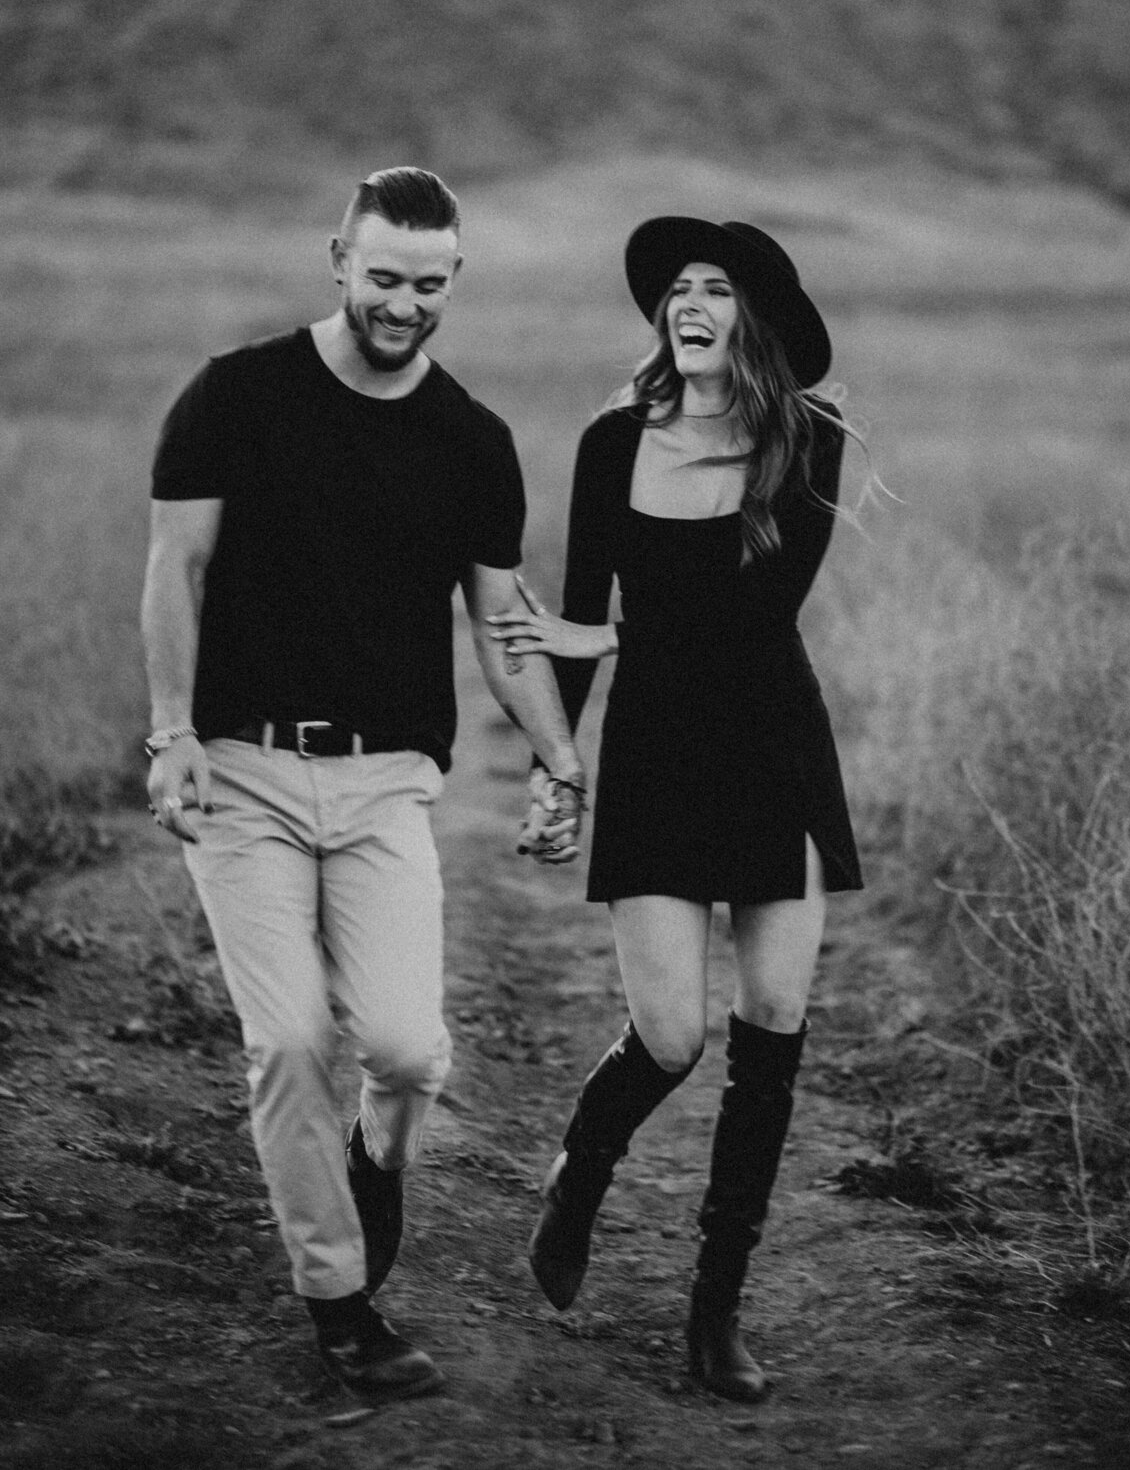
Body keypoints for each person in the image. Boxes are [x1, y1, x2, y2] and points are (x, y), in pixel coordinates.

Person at [141, 166, 585, 1399]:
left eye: (428, 284)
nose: (403, 303)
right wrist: (171, 730)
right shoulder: (236, 396)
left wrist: (559, 755)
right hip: (243, 768)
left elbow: (501, 620)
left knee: (406, 1047)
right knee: (288, 1039)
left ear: (456, 279)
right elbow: (175, 568)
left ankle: (375, 1159)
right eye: (383, 276)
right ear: (337, 258)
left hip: (387, 780)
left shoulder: (473, 440)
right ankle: (341, 1300)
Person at [489, 216, 864, 1404]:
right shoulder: (612, 442)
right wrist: (556, 766)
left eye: (719, 288)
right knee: (669, 1034)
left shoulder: (809, 440)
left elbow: (754, 616)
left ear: (756, 319)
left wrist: (601, 635)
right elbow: (577, 618)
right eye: (680, 289)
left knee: (773, 1020)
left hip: (773, 747)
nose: (691, 303)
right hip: (654, 750)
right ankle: (581, 1170)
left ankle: (716, 1309)